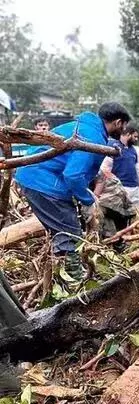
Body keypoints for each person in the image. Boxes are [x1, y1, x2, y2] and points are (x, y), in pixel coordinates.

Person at [14, 103, 131, 280]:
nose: (123, 130)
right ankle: (74, 282)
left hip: (36, 176)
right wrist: (88, 201)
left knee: (64, 232)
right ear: (118, 122)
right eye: (123, 126)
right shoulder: (92, 136)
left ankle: (64, 278)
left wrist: (85, 193)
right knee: (69, 234)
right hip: (42, 181)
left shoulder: (85, 127)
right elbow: (73, 175)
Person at [99, 124, 139, 210]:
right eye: (135, 136)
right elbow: (105, 168)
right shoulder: (112, 146)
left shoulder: (133, 150)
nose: (136, 139)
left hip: (135, 188)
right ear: (128, 134)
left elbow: (137, 169)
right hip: (120, 188)